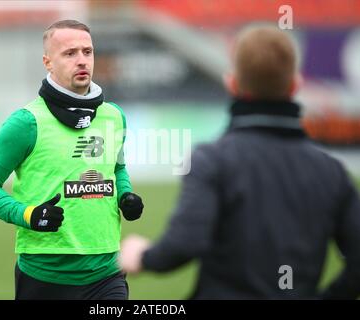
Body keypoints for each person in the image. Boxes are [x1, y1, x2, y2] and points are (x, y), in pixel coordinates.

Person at [119, 25, 360, 299]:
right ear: (296, 85)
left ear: (232, 83)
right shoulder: (331, 171)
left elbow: (184, 244)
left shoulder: (212, 159)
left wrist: (142, 256)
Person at [0, 20, 144, 300]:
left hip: (106, 273)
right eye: (69, 53)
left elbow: (117, 168)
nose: (81, 61)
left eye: (87, 52)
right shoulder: (26, 122)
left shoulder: (114, 116)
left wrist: (125, 195)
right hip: (45, 276)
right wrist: (28, 215)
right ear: (47, 62)